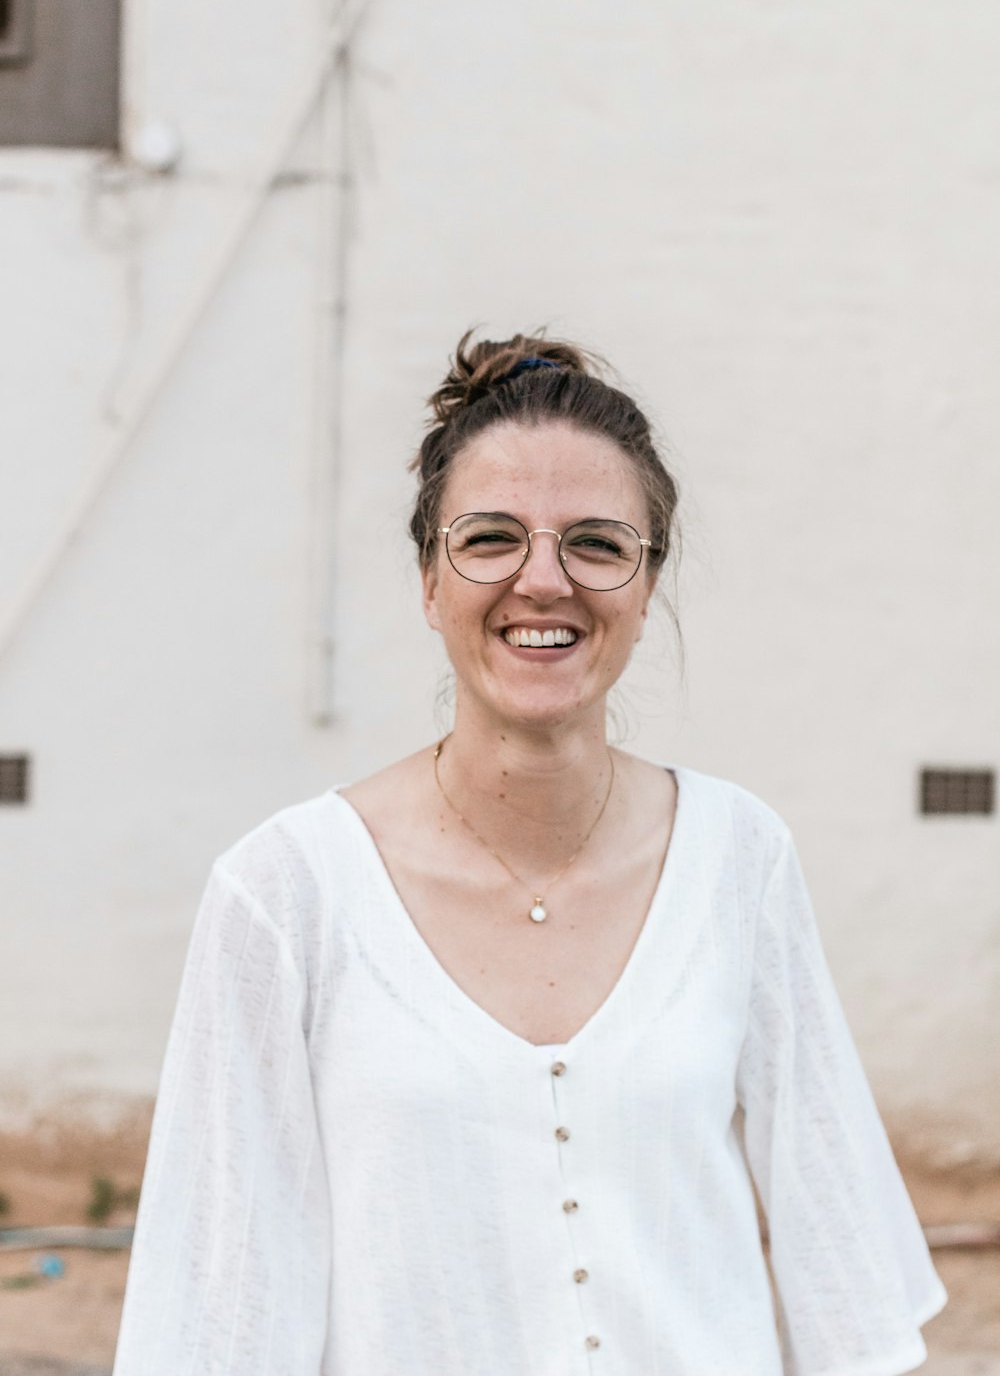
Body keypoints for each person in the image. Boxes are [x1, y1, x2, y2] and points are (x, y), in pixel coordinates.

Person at [112, 332, 947, 1376]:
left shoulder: (741, 860)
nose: (542, 580)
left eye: (596, 542)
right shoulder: (284, 897)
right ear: (429, 579)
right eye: (491, 537)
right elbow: (217, 1317)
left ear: (646, 587)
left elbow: (845, 1286)